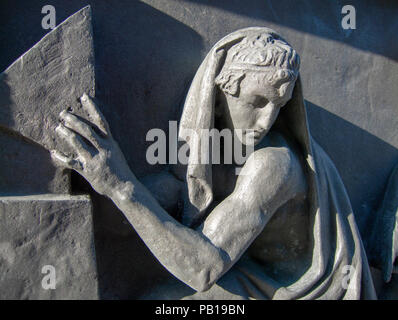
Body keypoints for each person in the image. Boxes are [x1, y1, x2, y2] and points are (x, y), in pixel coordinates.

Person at [50, 27, 376, 299]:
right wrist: (99, 173)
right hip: (251, 271)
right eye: (257, 101)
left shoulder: (275, 164)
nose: (267, 120)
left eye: (279, 105)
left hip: (297, 290)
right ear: (219, 99)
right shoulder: (222, 145)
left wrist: (121, 186)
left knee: (161, 301)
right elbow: (180, 193)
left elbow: (202, 267)